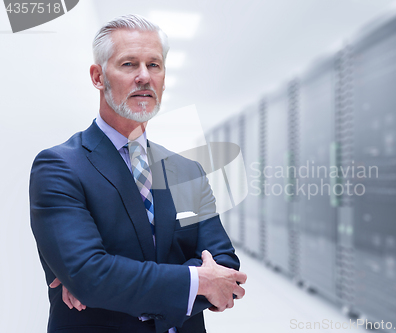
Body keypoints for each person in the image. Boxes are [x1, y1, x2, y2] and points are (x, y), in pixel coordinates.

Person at [29, 14, 246, 333]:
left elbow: (224, 266)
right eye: (129, 64)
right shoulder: (60, 167)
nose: (144, 76)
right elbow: (91, 275)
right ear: (98, 76)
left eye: (154, 65)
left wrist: (110, 287)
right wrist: (197, 281)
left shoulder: (186, 170)